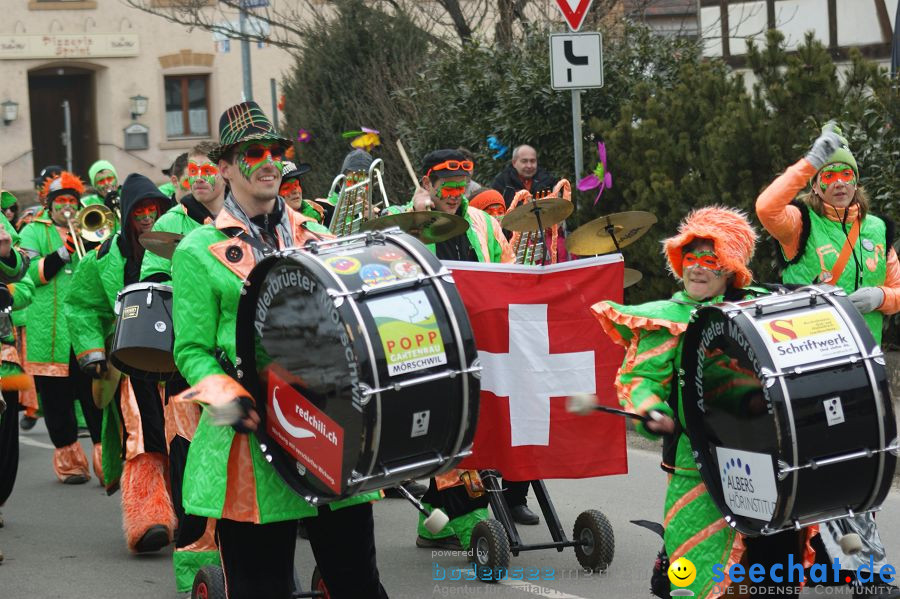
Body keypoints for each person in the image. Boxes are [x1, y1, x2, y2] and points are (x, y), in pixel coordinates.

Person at [171, 101, 387, 599]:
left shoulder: (321, 237)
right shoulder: (196, 251)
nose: (268, 160)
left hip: (329, 427)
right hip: (253, 442)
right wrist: (227, 400)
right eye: (253, 152)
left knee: (357, 580)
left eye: (275, 150)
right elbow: (191, 351)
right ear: (225, 167)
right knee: (262, 587)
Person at [593, 207, 818, 598]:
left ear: (730, 266)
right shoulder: (668, 319)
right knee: (695, 566)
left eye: (709, 260)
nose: (696, 269)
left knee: (771, 568)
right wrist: (651, 410)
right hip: (699, 462)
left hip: (767, 457)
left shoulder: (759, 306)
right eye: (690, 259)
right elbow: (641, 380)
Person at [756, 123, 900, 598]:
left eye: (846, 174)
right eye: (830, 174)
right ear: (819, 182)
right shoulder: (798, 222)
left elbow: (898, 289)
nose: (838, 182)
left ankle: (858, 562)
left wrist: (880, 296)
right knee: (813, 461)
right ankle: (820, 557)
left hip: (866, 363)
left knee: (866, 459)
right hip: (810, 366)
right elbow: (765, 207)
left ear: (856, 182)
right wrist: (812, 159)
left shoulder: (878, 228)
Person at [392, 149, 513, 546]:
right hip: (431, 343)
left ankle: (434, 523)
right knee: (454, 432)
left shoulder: (484, 222)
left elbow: (505, 272)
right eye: (447, 186)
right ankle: (467, 519)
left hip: (480, 340)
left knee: (481, 427)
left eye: (462, 186)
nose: (455, 194)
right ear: (427, 183)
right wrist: (415, 222)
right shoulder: (403, 219)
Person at [65, 173, 175, 554]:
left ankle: (193, 514)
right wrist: (93, 352)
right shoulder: (102, 257)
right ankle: (149, 519)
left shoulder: (185, 244)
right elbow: (80, 304)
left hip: (182, 361)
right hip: (131, 364)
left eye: (153, 209)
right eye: (140, 211)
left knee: (184, 438)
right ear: (128, 216)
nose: (147, 217)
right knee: (142, 440)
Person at [140, 141, 224, 590]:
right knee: (192, 465)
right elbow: (150, 280)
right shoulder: (172, 222)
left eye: (210, 168)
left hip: (236, 366)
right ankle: (194, 572)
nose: (203, 177)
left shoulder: (240, 217)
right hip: (185, 369)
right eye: (195, 170)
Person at [18, 172, 104, 485]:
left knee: (94, 396)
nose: (67, 207)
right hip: (49, 329)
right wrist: (62, 252)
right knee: (56, 400)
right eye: (61, 202)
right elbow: (31, 273)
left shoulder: (90, 225)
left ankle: (105, 458)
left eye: (72, 201)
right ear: (49, 205)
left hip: (84, 328)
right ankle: (70, 463)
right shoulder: (33, 232)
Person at [490, 144, 559, 209]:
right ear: (514, 163)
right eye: (524, 161)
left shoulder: (547, 180)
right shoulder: (502, 182)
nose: (529, 166)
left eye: (532, 161)